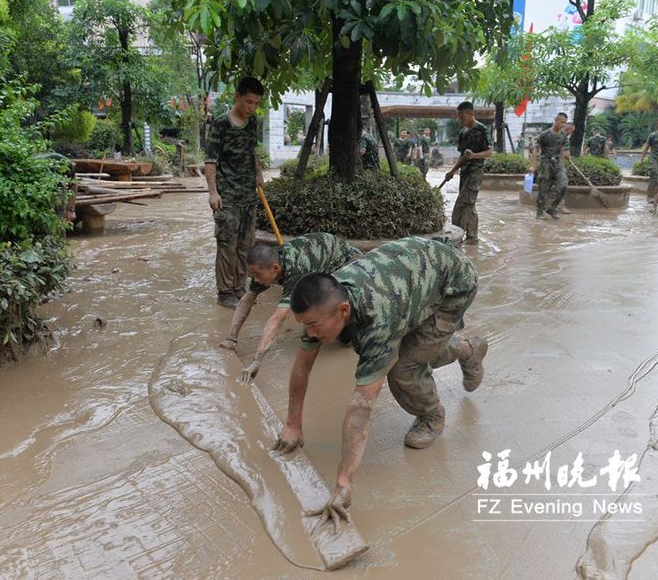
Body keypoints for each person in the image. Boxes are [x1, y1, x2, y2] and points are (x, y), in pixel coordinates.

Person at [273, 237, 488, 527]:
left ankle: (432, 415)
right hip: (415, 278)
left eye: (313, 326)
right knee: (422, 351)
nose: (309, 333)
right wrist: (293, 423)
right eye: (305, 326)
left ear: (343, 311)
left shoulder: (378, 317)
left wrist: (343, 484)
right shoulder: (321, 302)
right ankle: (467, 349)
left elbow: (362, 406)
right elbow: (302, 365)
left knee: (405, 367)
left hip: (452, 283)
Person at [220, 233, 361, 380]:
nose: (255, 279)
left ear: (275, 268)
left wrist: (257, 360)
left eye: (257, 275)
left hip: (350, 263)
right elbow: (247, 299)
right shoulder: (269, 264)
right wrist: (231, 338)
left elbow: (277, 319)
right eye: (253, 275)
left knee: (345, 337)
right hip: (322, 264)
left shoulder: (295, 270)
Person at [205, 77, 265, 309]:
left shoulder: (252, 123)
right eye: (249, 102)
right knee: (227, 245)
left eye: (256, 103)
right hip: (227, 197)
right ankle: (225, 293)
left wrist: (258, 174)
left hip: (248, 195)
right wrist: (213, 192)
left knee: (246, 246)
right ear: (237, 97)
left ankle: (240, 289)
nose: (252, 108)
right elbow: (210, 161)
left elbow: (252, 151)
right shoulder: (220, 124)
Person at [444, 101, 493, 244]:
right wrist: (452, 171)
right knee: (469, 204)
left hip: (476, 172)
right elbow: (462, 156)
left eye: (462, 117)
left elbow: (489, 153)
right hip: (464, 173)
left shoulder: (482, 129)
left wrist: (473, 156)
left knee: (462, 204)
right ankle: (471, 238)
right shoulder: (462, 133)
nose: (460, 120)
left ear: (471, 114)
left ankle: (459, 235)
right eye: (458, 118)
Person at [530, 112, 571, 220]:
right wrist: (533, 165)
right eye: (562, 122)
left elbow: (565, 150)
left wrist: (566, 156)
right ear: (556, 121)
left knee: (563, 185)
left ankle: (552, 208)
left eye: (565, 123)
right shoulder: (545, 134)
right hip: (545, 162)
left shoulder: (563, 136)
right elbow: (535, 149)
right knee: (543, 188)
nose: (563, 125)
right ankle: (539, 211)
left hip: (558, 163)